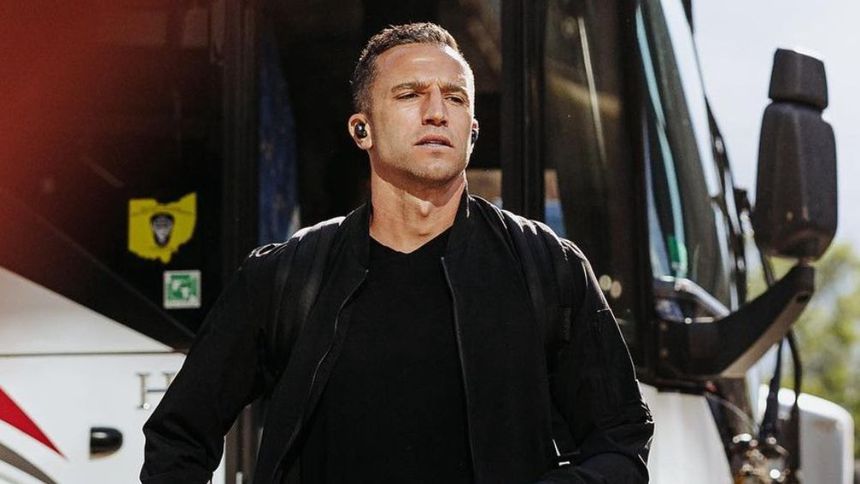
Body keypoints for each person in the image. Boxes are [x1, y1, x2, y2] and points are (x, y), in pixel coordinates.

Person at [141, 22, 653, 484]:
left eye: (455, 98)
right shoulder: (286, 277)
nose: (437, 112)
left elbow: (621, 441)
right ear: (361, 130)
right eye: (410, 94)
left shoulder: (548, 267)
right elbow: (178, 438)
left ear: (472, 133)